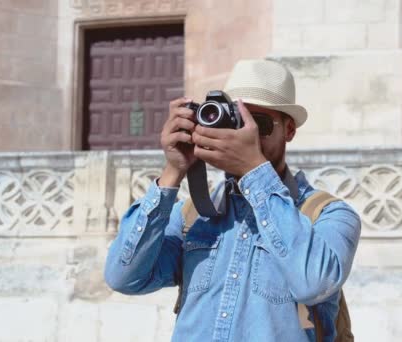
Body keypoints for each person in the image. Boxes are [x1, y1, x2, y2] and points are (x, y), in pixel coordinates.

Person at [104, 59, 361, 341]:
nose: (242, 134)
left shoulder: (328, 215)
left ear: (289, 130)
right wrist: (173, 171)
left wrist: (254, 171)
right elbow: (123, 277)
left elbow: (314, 282)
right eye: (235, 120)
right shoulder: (193, 215)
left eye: (258, 124)